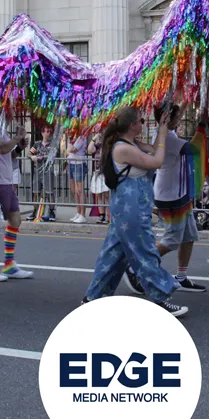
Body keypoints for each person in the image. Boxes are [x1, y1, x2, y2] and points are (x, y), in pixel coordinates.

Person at [84, 106, 188, 317]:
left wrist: (163, 128)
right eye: (140, 121)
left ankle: (92, 298)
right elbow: (157, 161)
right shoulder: (123, 148)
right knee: (146, 254)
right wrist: (161, 133)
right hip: (131, 212)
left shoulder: (131, 144)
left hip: (129, 210)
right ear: (132, 125)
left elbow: (154, 150)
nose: (143, 123)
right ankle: (160, 298)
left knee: (112, 257)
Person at [125, 102, 206, 294]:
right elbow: (194, 149)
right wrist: (202, 125)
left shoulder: (166, 132)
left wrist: (188, 100)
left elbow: (179, 111)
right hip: (170, 196)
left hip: (180, 193)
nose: (180, 120)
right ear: (167, 119)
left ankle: (181, 277)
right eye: (177, 118)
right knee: (172, 240)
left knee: (189, 236)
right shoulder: (167, 138)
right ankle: (135, 267)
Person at [0, 123, 32, 282]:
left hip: (6, 182)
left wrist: (19, 147)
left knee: (15, 220)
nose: (13, 114)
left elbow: (8, 155)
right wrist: (17, 138)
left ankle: (9, 264)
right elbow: (2, 149)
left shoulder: (4, 130)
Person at [29, 123, 56, 221]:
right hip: (37, 171)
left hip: (48, 171)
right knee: (36, 192)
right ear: (42, 133)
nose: (47, 134)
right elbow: (29, 153)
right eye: (45, 131)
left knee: (49, 192)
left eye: (49, 132)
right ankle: (35, 211)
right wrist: (32, 157)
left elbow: (53, 155)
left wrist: (42, 157)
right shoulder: (37, 144)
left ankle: (52, 211)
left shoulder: (52, 144)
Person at [87, 133, 110, 224]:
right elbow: (89, 150)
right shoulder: (97, 146)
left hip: (106, 173)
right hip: (97, 173)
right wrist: (94, 138)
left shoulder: (109, 147)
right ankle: (102, 216)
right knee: (99, 195)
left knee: (107, 196)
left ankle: (109, 216)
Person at [67, 132, 89, 223]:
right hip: (71, 163)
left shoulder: (82, 137)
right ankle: (78, 212)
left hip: (79, 164)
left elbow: (72, 149)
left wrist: (69, 141)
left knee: (80, 190)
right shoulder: (74, 137)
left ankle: (83, 215)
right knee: (74, 190)